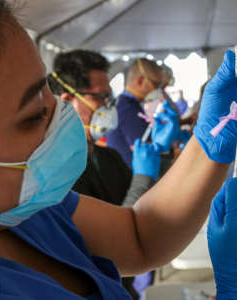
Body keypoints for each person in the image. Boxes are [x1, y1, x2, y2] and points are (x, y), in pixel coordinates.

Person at [0, 1, 237, 298]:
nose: (60, 115)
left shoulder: (17, 208)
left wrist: (210, 142)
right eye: (33, 116)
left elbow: (139, 235)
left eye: (47, 91)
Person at [48, 50, 177, 299]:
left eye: (111, 97)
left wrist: (162, 156)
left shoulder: (109, 158)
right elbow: (116, 246)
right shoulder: (58, 175)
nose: (111, 106)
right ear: (67, 100)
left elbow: (148, 203)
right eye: (102, 97)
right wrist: (142, 177)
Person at [107, 58, 164, 166]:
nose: (159, 91)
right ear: (140, 81)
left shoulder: (125, 103)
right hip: (131, 177)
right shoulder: (128, 109)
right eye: (156, 85)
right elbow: (144, 150)